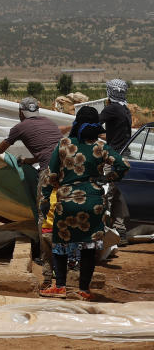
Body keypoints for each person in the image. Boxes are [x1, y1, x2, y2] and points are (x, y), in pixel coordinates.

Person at [38, 106, 129, 300]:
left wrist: (46, 198)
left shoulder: (63, 144)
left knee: (60, 244)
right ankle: (84, 290)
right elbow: (123, 165)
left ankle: (60, 286)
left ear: (76, 123)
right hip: (93, 203)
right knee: (89, 247)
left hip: (66, 202)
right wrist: (107, 178)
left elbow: (51, 174)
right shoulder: (100, 146)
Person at [0, 96, 62, 288]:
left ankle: (47, 259)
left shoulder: (19, 128)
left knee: (44, 216)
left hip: (49, 174)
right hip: (67, 171)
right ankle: (68, 257)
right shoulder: (49, 123)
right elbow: (48, 149)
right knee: (60, 214)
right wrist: (30, 161)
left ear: (21, 112)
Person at [100, 78, 133, 238]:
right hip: (125, 155)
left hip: (113, 157)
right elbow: (118, 134)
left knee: (106, 193)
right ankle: (120, 229)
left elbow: (92, 124)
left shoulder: (111, 108)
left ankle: (104, 231)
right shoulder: (125, 109)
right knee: (118, 193)